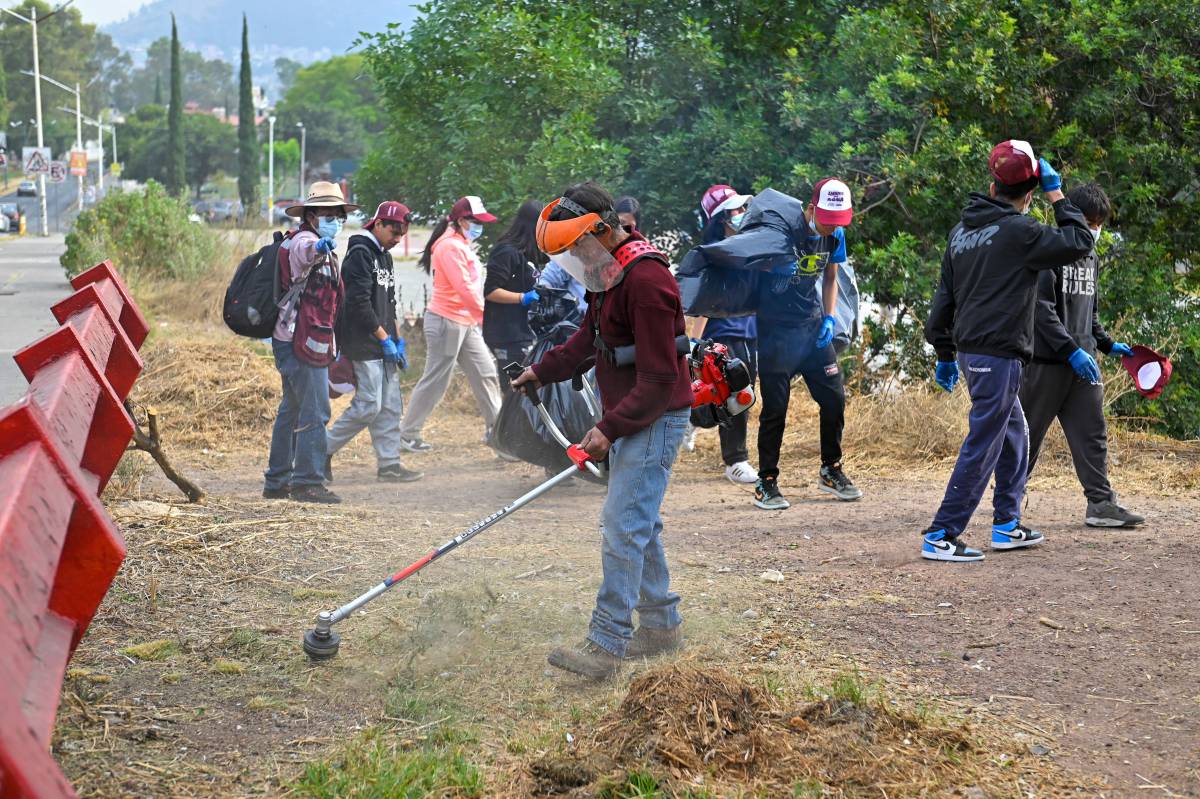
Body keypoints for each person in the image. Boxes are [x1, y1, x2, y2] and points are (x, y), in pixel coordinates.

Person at [513, 182, 693, 680]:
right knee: (637, 522)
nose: (574, 258)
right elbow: (589, 341)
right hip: (633, 411)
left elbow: (659, 380)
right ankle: (661, 627)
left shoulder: (647, 281)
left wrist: (608, 429)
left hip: (655, 415)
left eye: (577, 247)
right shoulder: (607, 273)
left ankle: (607, 643)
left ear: (600, 231)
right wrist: (542, 371)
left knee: (623, 525)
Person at [922, 140, 1094, 562]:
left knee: (1015, 433)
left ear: (993, 184)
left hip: (974, 352)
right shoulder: (1021, 232)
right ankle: (941, 533)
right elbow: (1079, 241)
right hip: (997, 354)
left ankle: (1006, 524)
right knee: (985, 440)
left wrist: (944, 352)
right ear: (1030, 193)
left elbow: (944, 299)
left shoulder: (961, 232)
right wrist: (1058, 193)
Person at [1020, 182, 1144, 528]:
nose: (1095, 230)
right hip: (1045, 364)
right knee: (1026, 437)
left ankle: (1101, 504)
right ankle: (1008, 500)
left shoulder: (1091, 257)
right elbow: (1041, 311)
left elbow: (1089, 312)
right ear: (1071, 218)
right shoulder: (1048, 253)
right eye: (1089, 223)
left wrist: (1106, 344)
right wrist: (1069, 350)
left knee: (1093, 436)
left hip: (1083, 365)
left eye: (1099, 224)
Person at [754, 178, 862, 510]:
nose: (832, 227)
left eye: (838, 221)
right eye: (828, 220)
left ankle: (831, 470)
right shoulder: (782, 233)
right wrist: (774, 271)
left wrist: (830, 317)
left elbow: (830, 277)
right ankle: (766, 481)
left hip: (813, 327)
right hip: (775, 332)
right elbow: (751, 270)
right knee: (776, 409)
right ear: (812, 209)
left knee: (834, 399)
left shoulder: (835, 235)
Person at [263, 181, 357, 504]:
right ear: (312, 216)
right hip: (299, 341)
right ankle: (307, 482)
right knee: (316, 410)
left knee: (292, 409)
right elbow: (305, 252)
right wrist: (318, 247)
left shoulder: (319, 246)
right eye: (328, 215)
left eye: (339, 215)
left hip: (301, 339)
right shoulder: (305, 242)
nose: (335, 221)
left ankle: (277, 480)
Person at [325, 201, 424, 484]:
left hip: (384, 341)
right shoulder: (360, 254)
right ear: (378, 224)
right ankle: (321, 450)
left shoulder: (385, 256)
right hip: (362, 342)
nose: (397, 239)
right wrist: (384, 339)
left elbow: (389, 303)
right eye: (394, 233)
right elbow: (358, 303)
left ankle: (389, 464)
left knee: (391, 405)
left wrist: (397, 339)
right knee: (369, 405)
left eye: (402, 235)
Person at [397, 196, 504, 452]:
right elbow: (464, 288)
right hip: (447, 321)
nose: (480, 227)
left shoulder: (459, 243)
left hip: (464, 320)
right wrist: (486, 317)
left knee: (486, 373)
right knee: (436, 381)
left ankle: (499, 433)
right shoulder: (449, 247)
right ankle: (407, 434)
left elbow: (469, 289)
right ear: (462, 220)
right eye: (476, 222)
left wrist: (479, 317)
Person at [693, 184, 758, 484]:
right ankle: (735, 460)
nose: (741, 213)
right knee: (735, 391)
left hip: (751, 331)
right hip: (723, 333)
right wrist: (694, 342)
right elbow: (702, 304)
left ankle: (692, 420)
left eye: (743, 208)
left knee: (742, 394)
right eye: (734, 210)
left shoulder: (751, 246)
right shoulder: (714, 256)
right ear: (720, 219)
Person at [483, 200, 547, 387]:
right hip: (507, 334)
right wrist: (523, 297)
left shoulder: (529, 253)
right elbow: (490, 291)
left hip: (524, 331)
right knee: (516, 388)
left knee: (527, 387)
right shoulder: (506, 252)